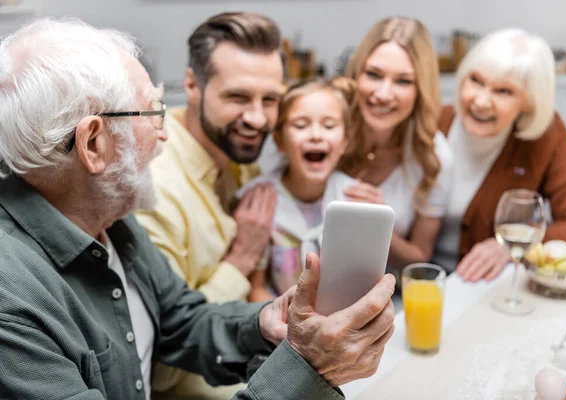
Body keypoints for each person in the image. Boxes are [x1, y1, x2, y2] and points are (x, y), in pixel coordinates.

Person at [0, 18, 396, 400]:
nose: (165, 132)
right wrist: (307, 367)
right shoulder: (12, 305)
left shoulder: (111, 221)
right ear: (93, 145)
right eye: (153, 111)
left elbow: (179, 322)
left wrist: (267, 322)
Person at [134, 12, 282, 397]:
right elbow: (160, 368)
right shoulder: (155, 189)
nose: (257, 118)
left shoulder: (239, 160)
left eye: (270, 99)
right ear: (191, 85)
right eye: (237, 97)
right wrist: (241, 260)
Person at [431, 28, 566, 281]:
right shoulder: (431, 122)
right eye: (475, 80)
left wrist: (509, 247)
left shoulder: (545, 135)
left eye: (503, 91)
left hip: (482, 288)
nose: (481, 101)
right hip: (413, 281)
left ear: (529, 102)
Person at [340, 16, 453, 276]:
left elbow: (421, 257)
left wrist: (378, 226)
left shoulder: (434, 155)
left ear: (420, 90)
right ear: (357, 73)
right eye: (373, 74)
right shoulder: (330, 127)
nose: (383, 94)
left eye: (403, 81)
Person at [238, 78, 357, 302]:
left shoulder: (355, 201)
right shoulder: (260, 202)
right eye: (301, 125)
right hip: (281, 324)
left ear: (345, 142)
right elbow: (256, 290)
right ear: (279, 140)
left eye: (329, 125)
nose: (316, 135)